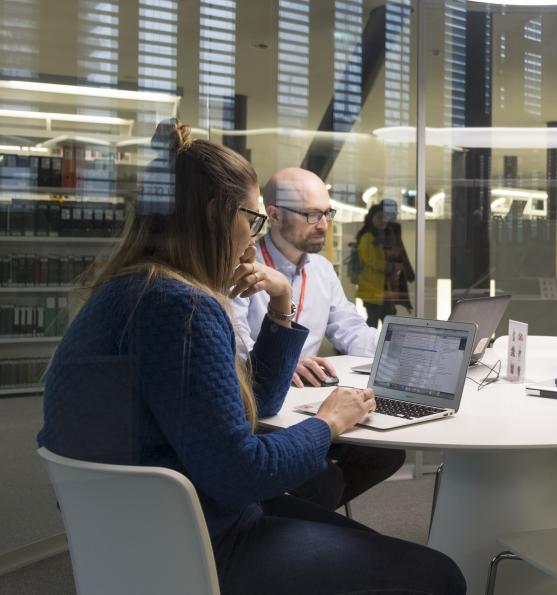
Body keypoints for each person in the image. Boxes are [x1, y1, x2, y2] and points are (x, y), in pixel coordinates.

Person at [38, 120, 465, 595]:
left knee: (374, 546)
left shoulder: (132, 291)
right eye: (253, 220)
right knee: (439, 575)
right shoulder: (182, 308)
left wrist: (282, 310)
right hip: (203, 540)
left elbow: (253, 406)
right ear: (214, 215)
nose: (252, 240)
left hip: (148, 534)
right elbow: (244, 472)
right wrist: (329, 423)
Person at [231, 167, 405, 511]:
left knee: (386, 455)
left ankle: (301, 517)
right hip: (261, 411)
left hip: (304, 404)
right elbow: (236, 348)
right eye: (312, 214)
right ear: (275, 215)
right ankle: (302, 518)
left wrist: (405, 354)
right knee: (322, 481)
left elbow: (350, 329)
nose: (323, 224)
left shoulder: (321, 270)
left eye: (327, 213)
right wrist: (281, 360)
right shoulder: (242, 267)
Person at [355, 201, 415, 328]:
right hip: (372, 290)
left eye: (384, 217)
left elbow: (382, 257)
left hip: (384, 290)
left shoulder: (386, 236)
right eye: (379, 217)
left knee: (388, 320)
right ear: (372, 219)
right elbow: (371, 261)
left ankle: (383, 346)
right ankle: (370, 346)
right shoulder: (367, 237)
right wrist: (391, 267)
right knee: (374, 321)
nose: (382, 221)